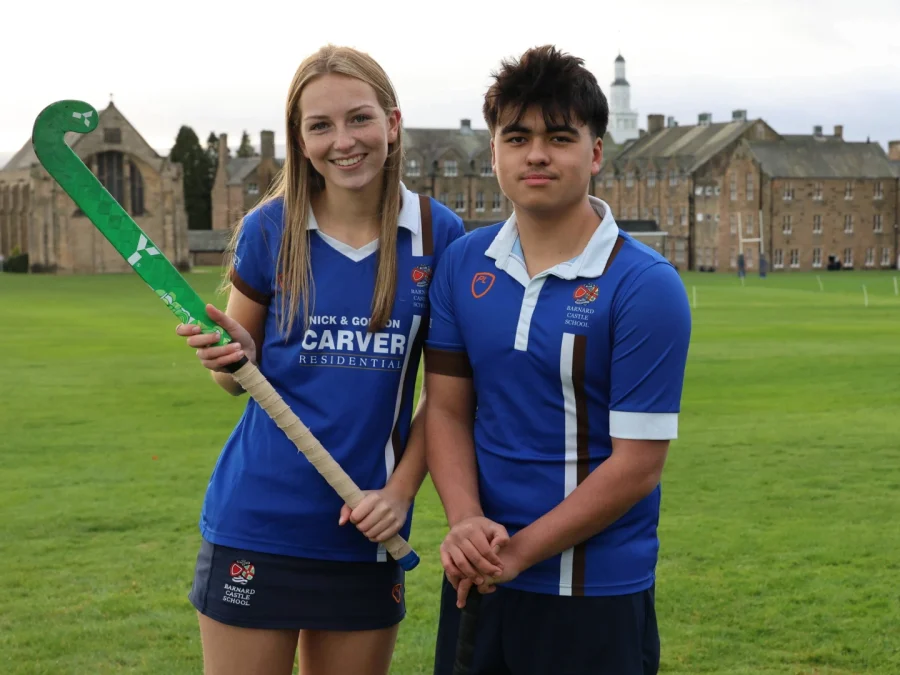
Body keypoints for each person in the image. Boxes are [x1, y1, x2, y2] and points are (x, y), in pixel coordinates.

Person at [175, 44, 465, 675]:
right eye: (320, 125)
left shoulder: (442, 236)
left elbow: (447, 399)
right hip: (258, 520)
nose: (344, 141)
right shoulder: (268, 229)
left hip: (365, 529)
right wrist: (232, 358)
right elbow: (234, 378)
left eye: (359, 118)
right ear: (299, 140)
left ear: (392, 123)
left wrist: (399, 491)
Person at [424, 45, 692, 675]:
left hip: (593, 592)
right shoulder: (462, 264)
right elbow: (445, 410)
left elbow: (638, 465)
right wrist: (466, 524)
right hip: (478, 578)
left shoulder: (644, 284)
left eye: (559, 136)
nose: (536, 153)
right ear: (493, 152)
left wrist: (518, 553)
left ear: (596, 151)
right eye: (516, 137)